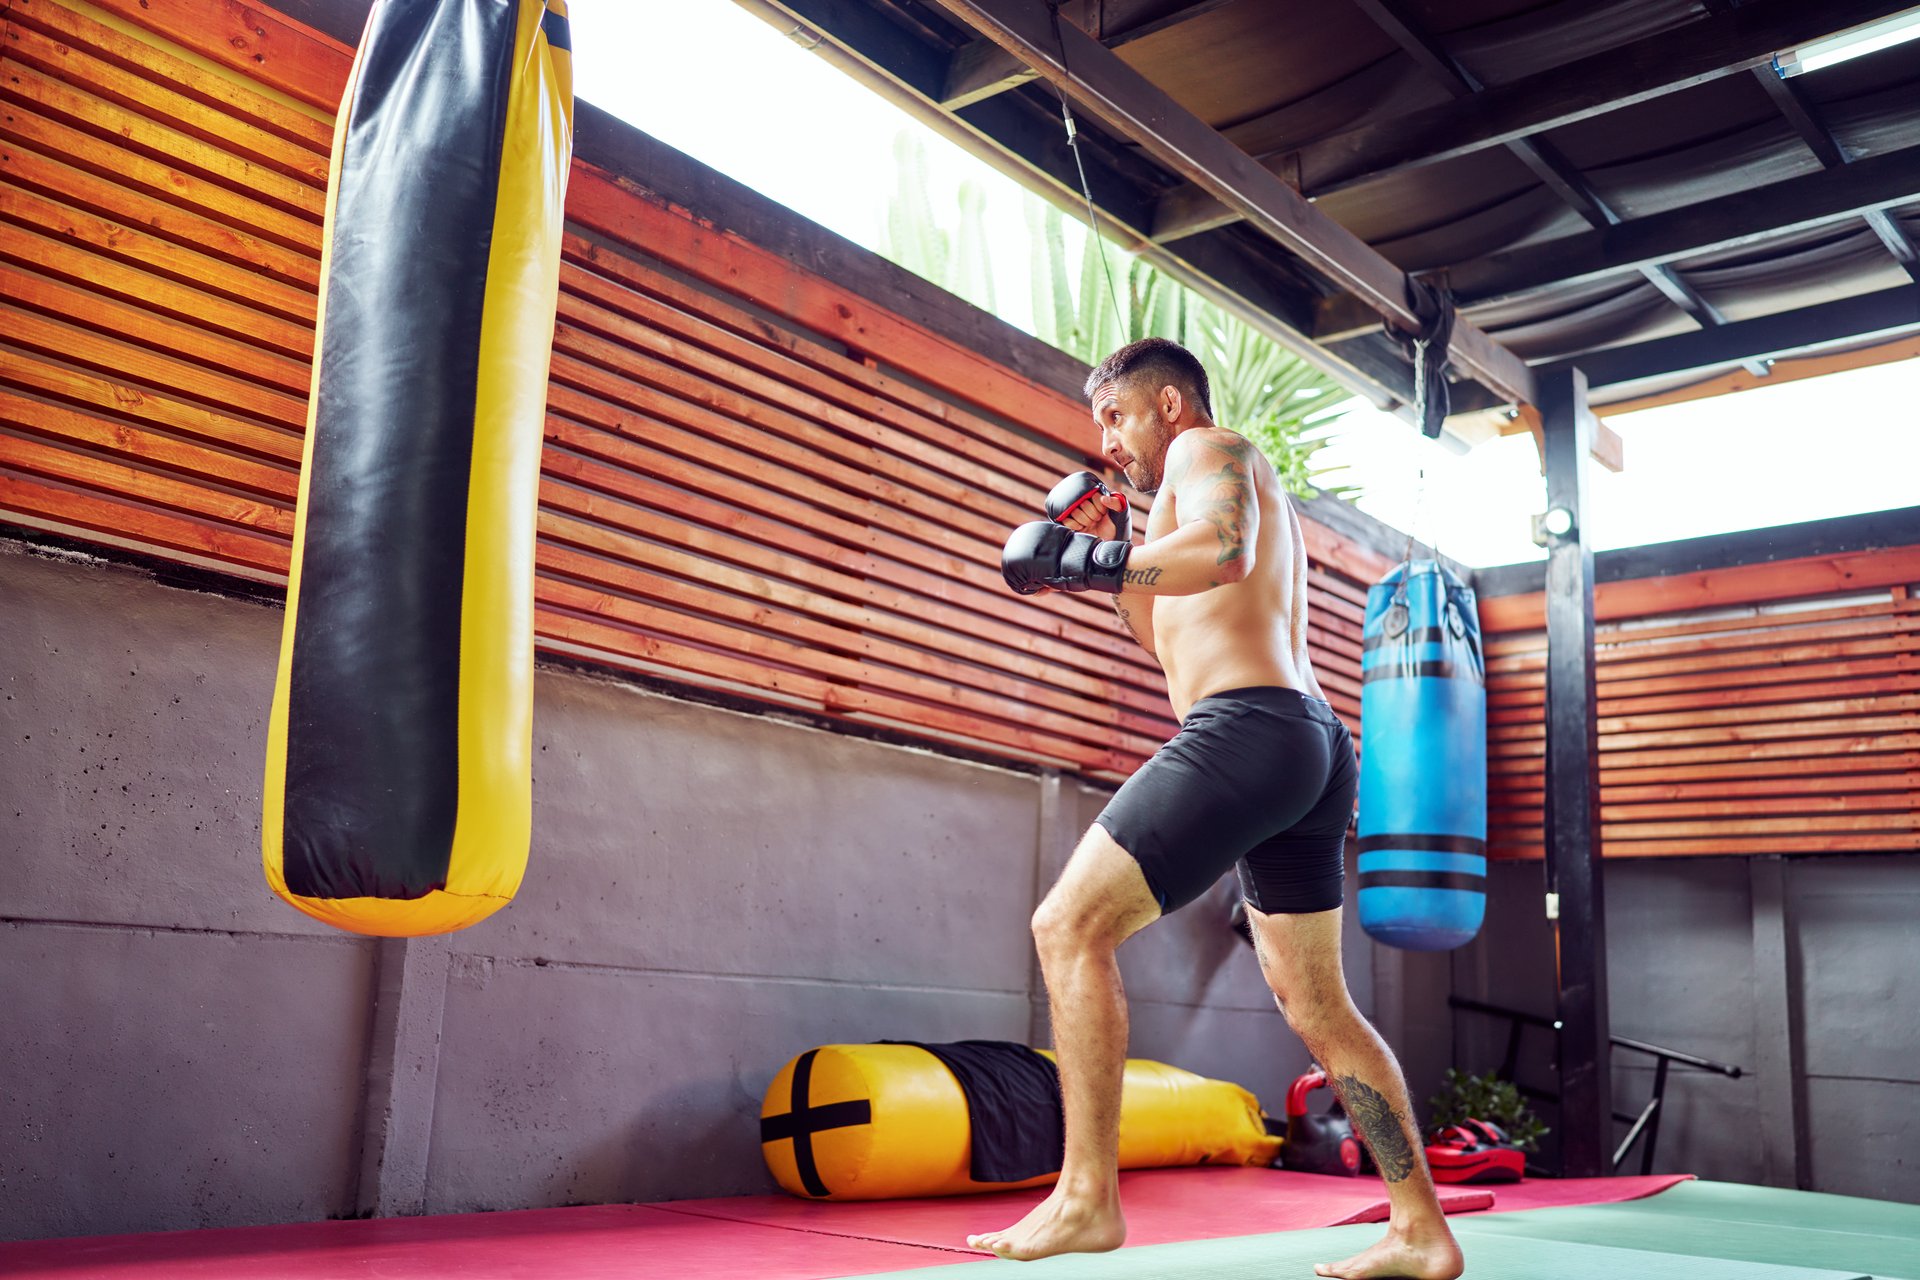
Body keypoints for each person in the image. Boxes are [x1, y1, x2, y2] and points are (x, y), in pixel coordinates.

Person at [975, 337, 1464, 1280]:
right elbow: (1166, 629)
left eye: (1113, 417)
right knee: (1317, 1003)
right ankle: (1420, 1230)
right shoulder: (1172, 508)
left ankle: (1086, 1200)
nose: (1106, 440)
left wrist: (1088, 553)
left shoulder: (1211, 450)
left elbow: (1226, 553)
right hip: (1305, 746)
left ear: (1167, 405)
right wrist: (1111, 551)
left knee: (1067, 928)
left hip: (1250, 729)